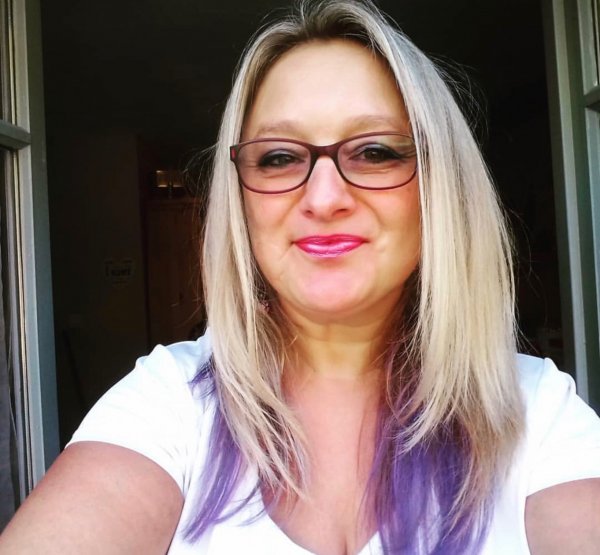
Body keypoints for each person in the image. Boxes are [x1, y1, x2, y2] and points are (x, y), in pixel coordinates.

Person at [1, 1, 600, 553]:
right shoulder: (165, 403)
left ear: (440, 188)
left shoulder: (540, 414)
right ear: (242, 202)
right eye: (280, 157)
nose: (323, 197)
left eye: (375, 151)